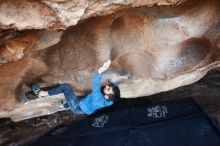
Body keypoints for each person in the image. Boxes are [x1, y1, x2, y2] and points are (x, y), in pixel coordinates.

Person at [32, 59, 120, 115]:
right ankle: (66, 105)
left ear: (106, 96)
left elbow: (96, 84)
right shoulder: (110, 101)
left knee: (65, 87)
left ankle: (42, 93)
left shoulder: (97, 97)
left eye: (108, 88)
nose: (108, 86)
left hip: (78, 107)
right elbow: (114, 93)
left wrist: (100, 71)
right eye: (110, 86)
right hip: (86, 108)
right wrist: (115, 83)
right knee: (83, 97)